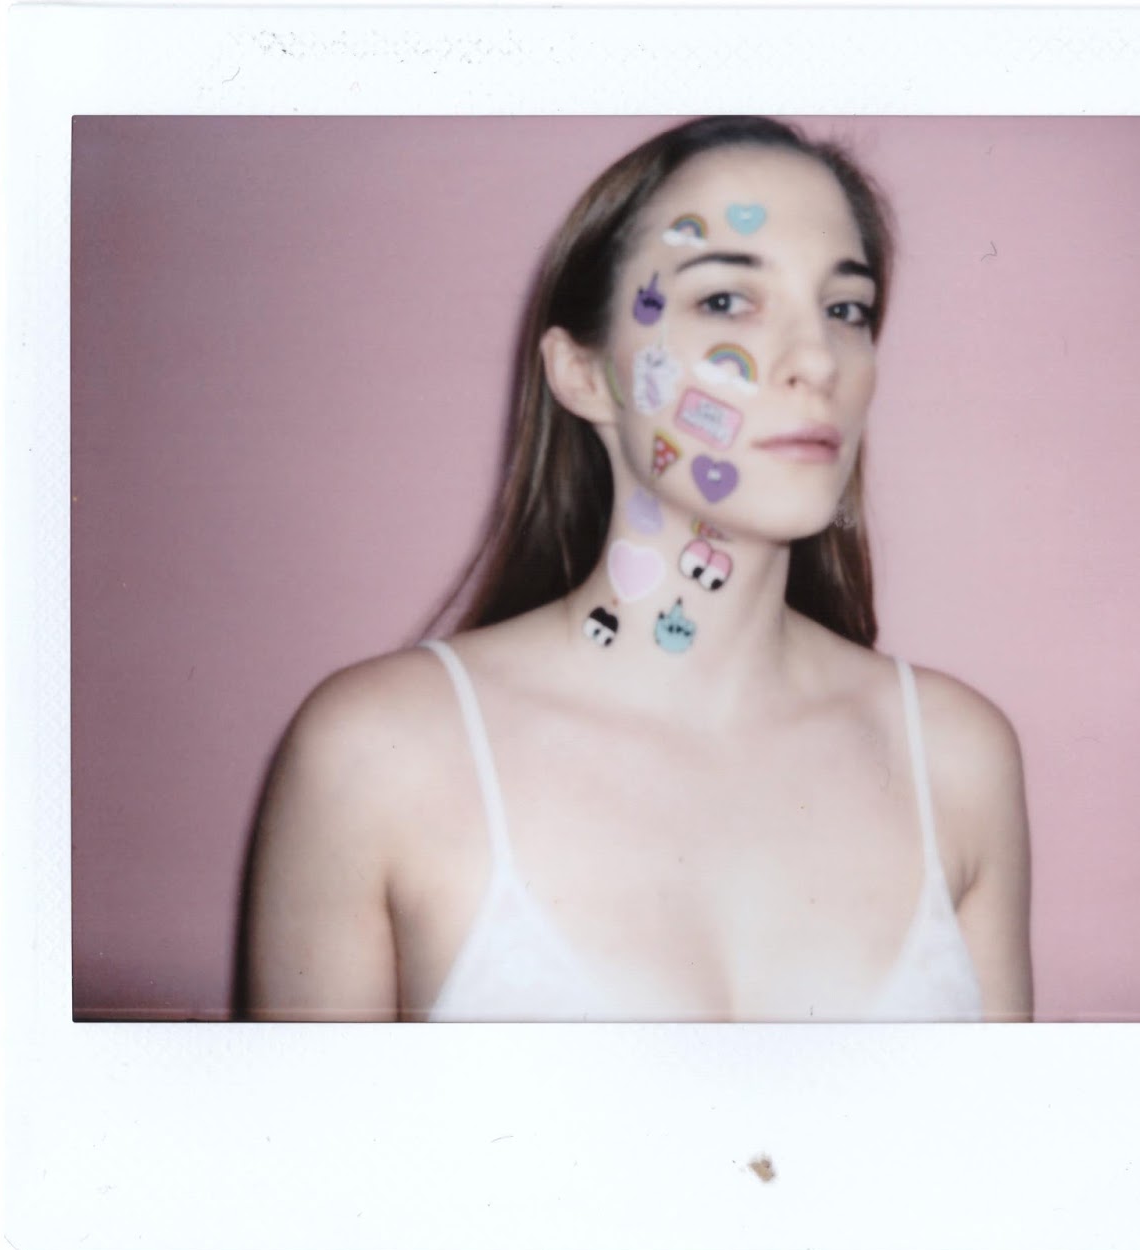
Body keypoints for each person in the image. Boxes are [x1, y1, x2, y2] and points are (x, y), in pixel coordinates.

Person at [242, 115, 1033, 1022]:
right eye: (726, 301)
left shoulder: (956, 759)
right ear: (584, 374)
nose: (818, 359)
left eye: (844, 309)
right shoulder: (377, 755)